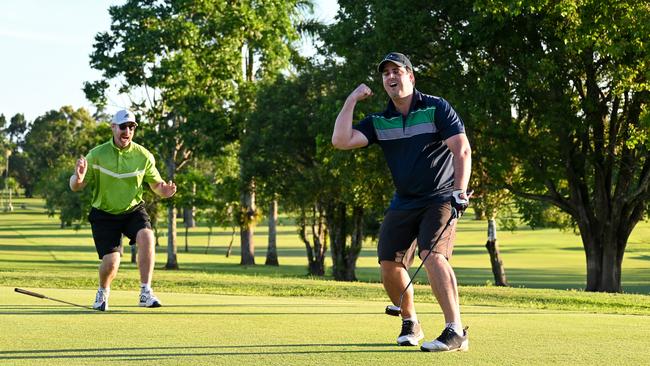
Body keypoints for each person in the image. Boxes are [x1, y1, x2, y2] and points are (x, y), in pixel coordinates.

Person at [332, 52, 472, 352]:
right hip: (405, 201)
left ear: (411, 76)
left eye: (397, 71)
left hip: (440, 197)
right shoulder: (381, 120)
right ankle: (411, 322)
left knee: (431, 254)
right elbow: (341, 141)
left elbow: (461, 149)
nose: (391, 77)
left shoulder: (436, 107)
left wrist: (460, 191)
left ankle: (455, 330)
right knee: (388, 263)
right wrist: (351, 100)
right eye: (386, 74)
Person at [70, 109, 176, 311]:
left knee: (147, 236)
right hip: (104, 213)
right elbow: (75, 186)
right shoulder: (97, 155)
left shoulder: (143, 155)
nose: (127, 131)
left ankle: (145, 292)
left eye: (131, 127)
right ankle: (103, 293)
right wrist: (79, 177)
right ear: (113, 128)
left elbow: (157, 186)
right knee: (112, 261)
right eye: (123, 126)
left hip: (132, 210)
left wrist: (166, 191)